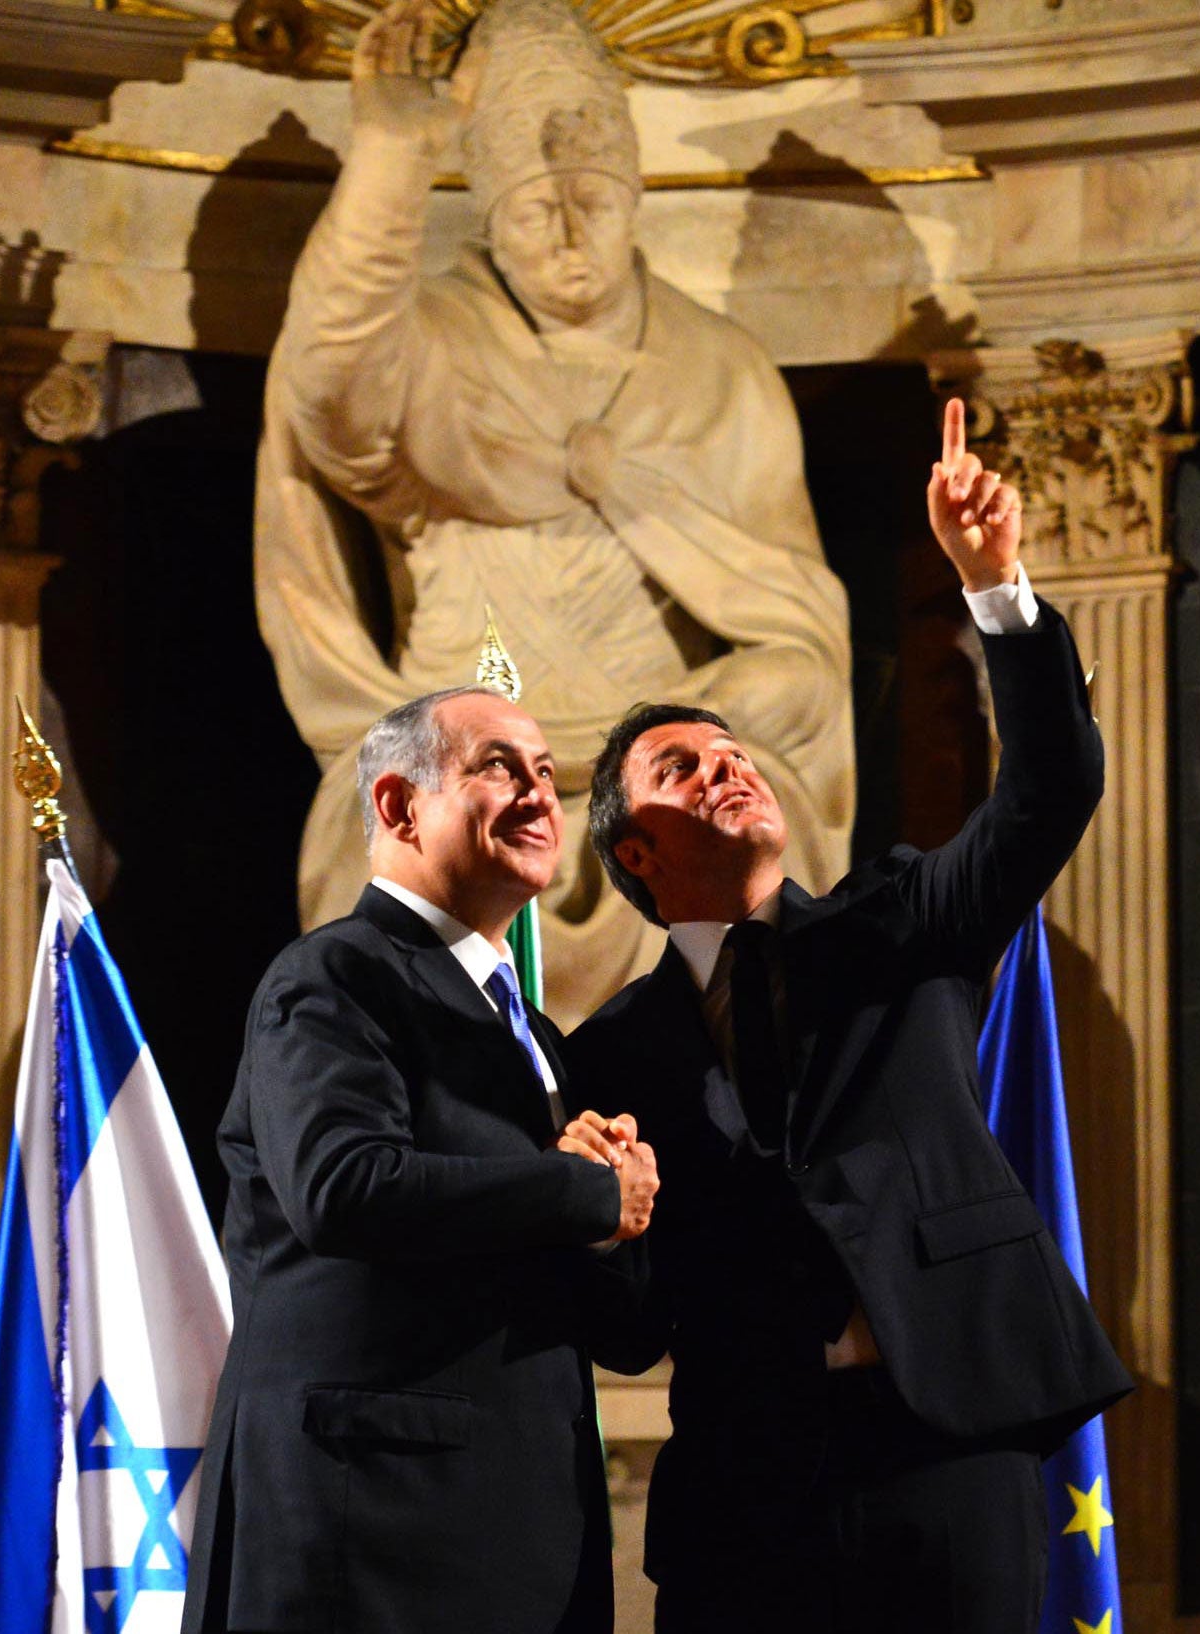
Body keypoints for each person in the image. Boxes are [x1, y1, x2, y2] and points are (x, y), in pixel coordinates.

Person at [560, 400, 1133, 1632]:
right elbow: (629, 1328)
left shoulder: (902, 917)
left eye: (732, 752)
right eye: (679, 768)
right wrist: (599, 1222)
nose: (726, 766)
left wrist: (995, 589)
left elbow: (1052, 788)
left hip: (949, 1443)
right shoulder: (606, 1054)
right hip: (749, 1486)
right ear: (634, 853)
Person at [254, 0, 854, 1022]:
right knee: (393, 851)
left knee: (756, 817)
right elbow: (331, 390)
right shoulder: (433, 347)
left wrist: (731, 706)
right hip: (459, 775)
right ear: (491, 217)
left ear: (635, 198)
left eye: (594, 202)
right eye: (539, 211)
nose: (572, 234)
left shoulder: (720, 372)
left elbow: (797, 630)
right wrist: (393, 162)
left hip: (661, 787)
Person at [183, 685, 662, 1634]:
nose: (538, 794)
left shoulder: (534, 1035)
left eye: (544, 773)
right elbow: (343, 1186)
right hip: (372, 1526)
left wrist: (615, 1236)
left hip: (517, 1530)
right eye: (498, 768)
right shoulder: (335, 976)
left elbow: (613, 1324)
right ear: (399, 806)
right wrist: (581, 1191)